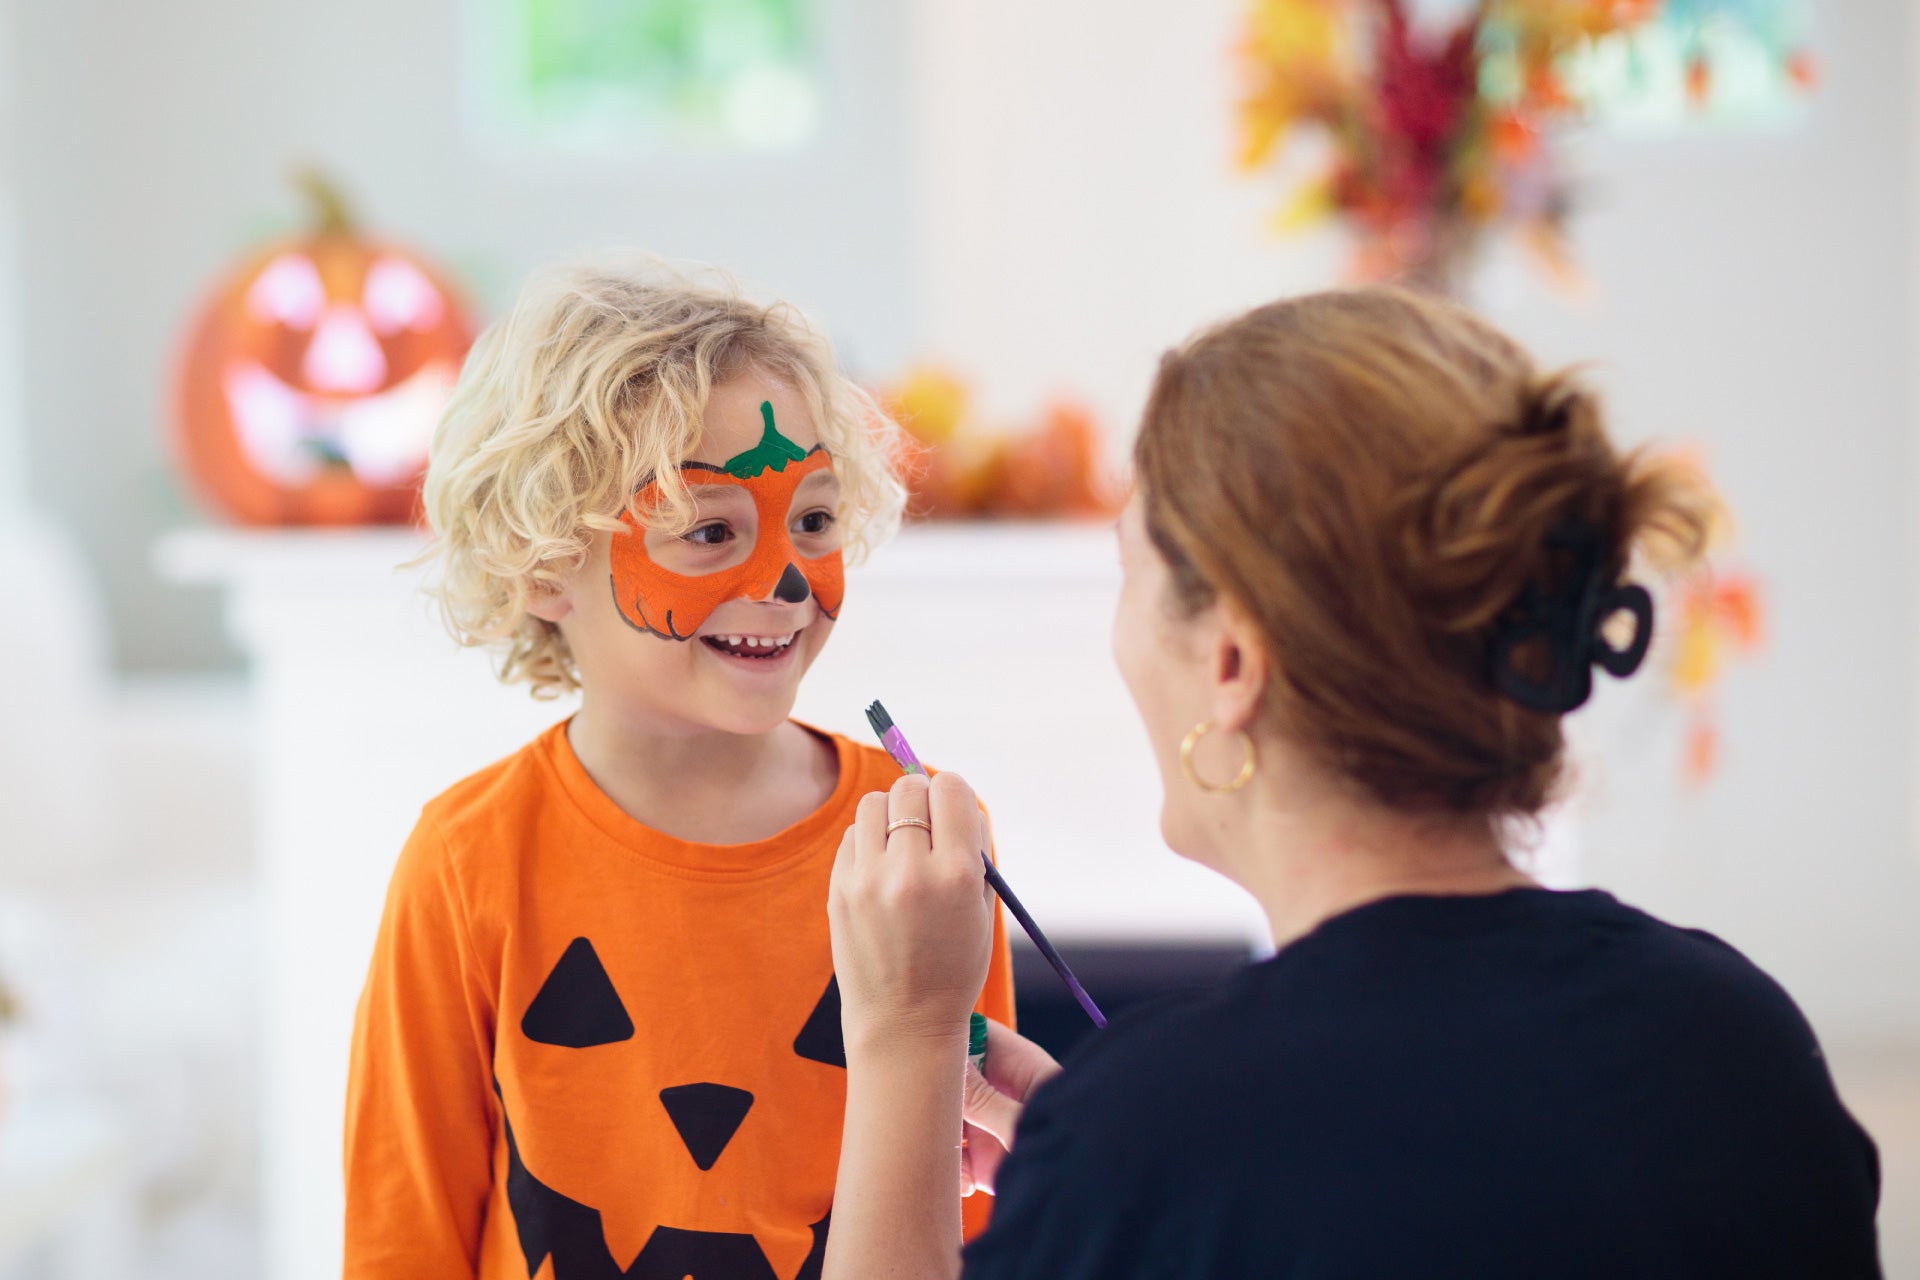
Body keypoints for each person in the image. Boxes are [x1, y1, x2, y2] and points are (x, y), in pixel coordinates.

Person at [821, 287, 1884, 1279]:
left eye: (1129, 570)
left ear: (1232, 661)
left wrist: (910, 1047)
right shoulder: (1738, 1042)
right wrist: (1105, 1176)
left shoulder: (1151, 1146)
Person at [341, 258, 1017, 1279]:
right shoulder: (467, 859)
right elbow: (404, 1237)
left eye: (814, 521)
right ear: (542, 567)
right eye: (708, 530)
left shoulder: (910, 849)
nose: (786, 580)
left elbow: (972, 1215)